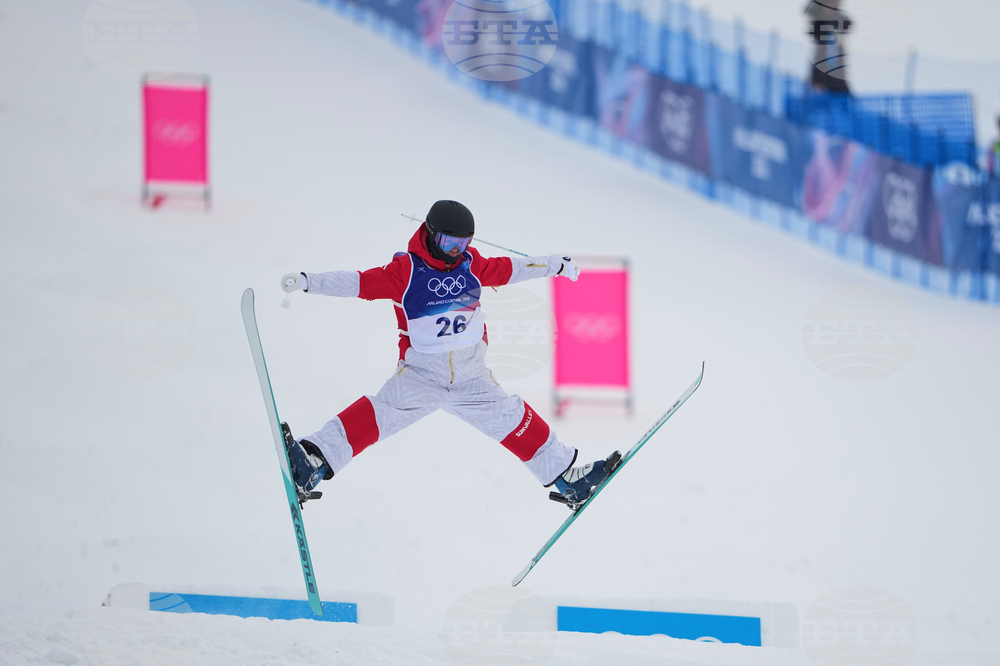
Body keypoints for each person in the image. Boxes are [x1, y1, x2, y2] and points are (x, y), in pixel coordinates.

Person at [279, 200, 620, 508]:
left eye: (463, 244)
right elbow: (358, 283)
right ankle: (313, 462)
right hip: (421, 376)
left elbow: (514, 268)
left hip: (472, 377)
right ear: (430, 234)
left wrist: (555, 265)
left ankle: (567, 479)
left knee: (514, 417)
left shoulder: (471, 265)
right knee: (378, 413)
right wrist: (309, 282)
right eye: (448, 243)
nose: (455, 252)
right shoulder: (405, 272)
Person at [805, 0, 852, 94]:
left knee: (842, 95)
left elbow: (847, 24)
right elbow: (810, 11)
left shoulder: (839, 20)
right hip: (821, 77)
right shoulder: (819, 22)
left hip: (838, 77)